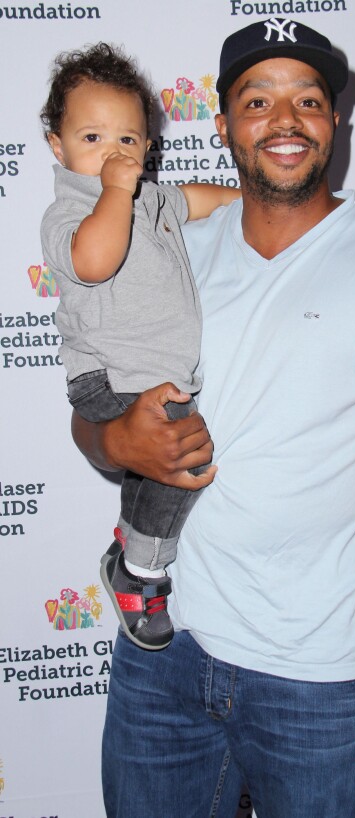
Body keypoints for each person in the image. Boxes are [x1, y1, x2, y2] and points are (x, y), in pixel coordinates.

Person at [73, 18, 355, 818]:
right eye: (257, 100)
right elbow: (92, 415)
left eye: (308, 100)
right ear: (222, 124)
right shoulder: (173, 251)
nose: (285, 120)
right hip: (163, 653)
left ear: (335, 122)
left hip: (321, 679)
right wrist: (114, 439)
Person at [40, 43, 239, 650]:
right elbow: (95, 263)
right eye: (93, 138)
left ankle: (127, 545)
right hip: (108, 376)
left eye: (129, 140)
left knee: (160, 466)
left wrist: (248, 202)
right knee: (185, 460)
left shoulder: (150, 198)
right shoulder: (68, 212)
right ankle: (140, 572)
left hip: (153, 375)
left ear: (148, 147)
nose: (114, 154)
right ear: (58, 147)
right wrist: (113, 193)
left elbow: (198, 200)